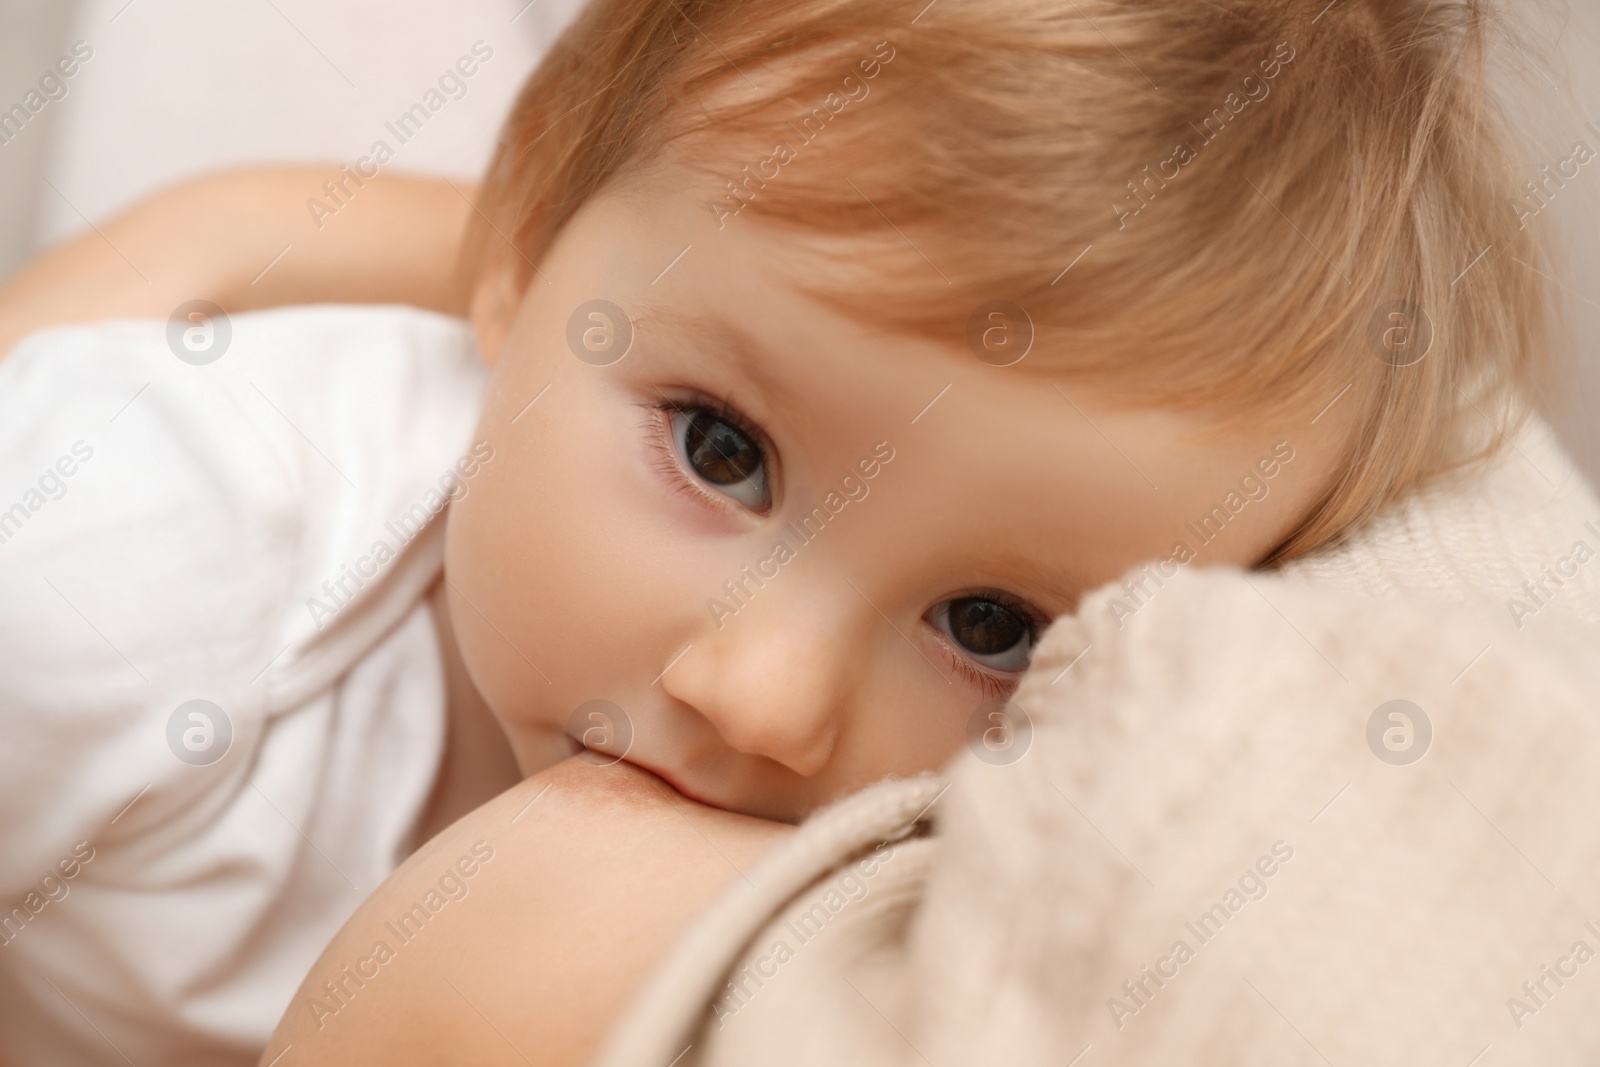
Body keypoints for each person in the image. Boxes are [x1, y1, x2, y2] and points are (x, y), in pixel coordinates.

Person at [0, 0, 1559, 1062]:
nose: (764, 696)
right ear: (525, 241)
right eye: (720, 450)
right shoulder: (132, 587)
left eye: (994, 627)